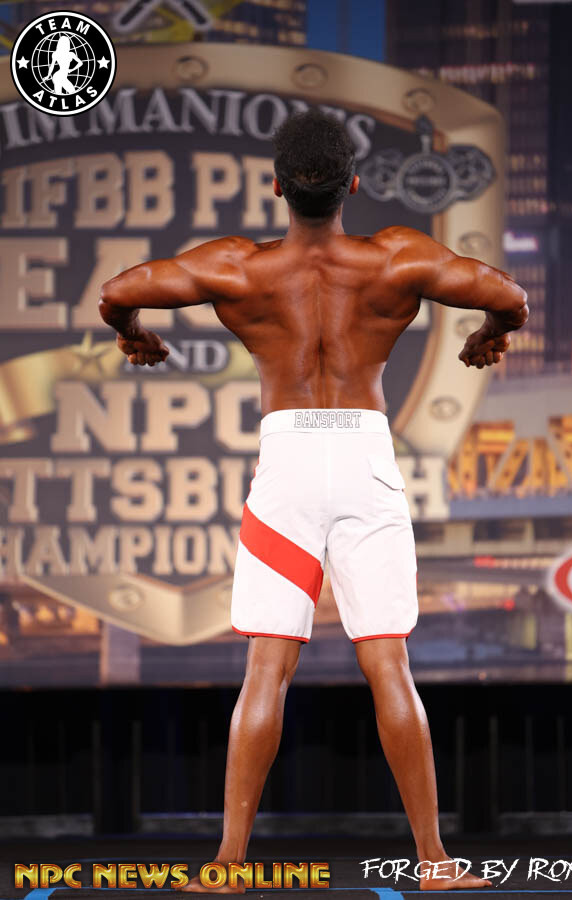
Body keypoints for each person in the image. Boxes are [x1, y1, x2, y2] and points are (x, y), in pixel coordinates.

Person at [99, 109, 528, 892]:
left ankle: (228, 866)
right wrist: (486, 335)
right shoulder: (396, 257)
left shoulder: (239, 268)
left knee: (266, 669)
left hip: (288, 460)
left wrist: (136, 335)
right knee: (389, 665)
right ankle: (434, 863)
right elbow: (509, 296)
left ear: (276, 187)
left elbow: (117, 292)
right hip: (364, 456)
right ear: (353, 185)